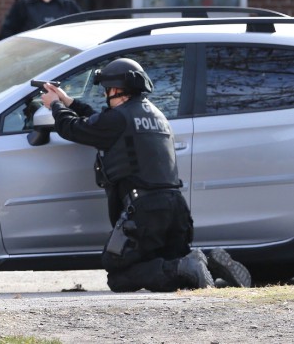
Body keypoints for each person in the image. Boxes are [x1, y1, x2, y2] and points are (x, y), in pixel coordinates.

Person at [40, 58, 252, 292]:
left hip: (145, 212)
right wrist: (69, 101)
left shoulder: (119, 118)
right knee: (167, 266)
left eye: (107, 90)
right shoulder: (155, 115)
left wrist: (55, 106)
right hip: (176, 211)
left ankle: (188, 264)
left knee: (120, 274)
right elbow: (101, 123)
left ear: (118, 89)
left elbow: (75, 128)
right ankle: (208, 264)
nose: (105, 96)